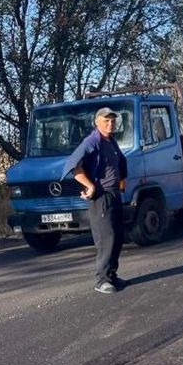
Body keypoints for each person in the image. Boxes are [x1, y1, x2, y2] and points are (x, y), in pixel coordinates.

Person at [63, 106, 128, 294]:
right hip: (101, 197)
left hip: (114, 194)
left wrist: (122, 181)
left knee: (117, 237)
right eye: (106, 121)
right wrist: (90, 186)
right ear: (97, 122)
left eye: (113, 120)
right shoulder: (92, 141)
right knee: (106, 238)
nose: (110, 124)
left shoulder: (110, 142)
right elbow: (74, 166)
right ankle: (102, 281)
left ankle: (112, 276)